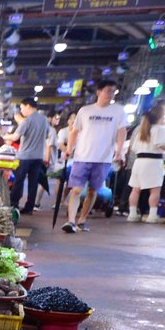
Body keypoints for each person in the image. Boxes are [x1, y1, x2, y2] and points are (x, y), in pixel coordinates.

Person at [62, 80, 127, 233]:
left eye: (113, 92)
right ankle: (71, 221)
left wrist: (119, 150)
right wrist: (69, 149)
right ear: (98, 92)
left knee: (93, 191)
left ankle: (82, 220)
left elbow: (122, 131)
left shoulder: (118, 111)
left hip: (103, 159)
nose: (110, 94)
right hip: (82, 156)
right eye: (107, 91)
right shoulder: (85, 111)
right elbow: (74, 131)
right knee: (76, 189)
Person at [126, 103, 165, 223]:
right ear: (161, 116)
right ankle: (152, 215)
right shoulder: (160, 129)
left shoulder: (142, 129)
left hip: (139, 162)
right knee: (155, 190)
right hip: (153, 161)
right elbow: (160, 144)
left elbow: (134, 148)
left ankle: (132, 214)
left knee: (135, 189)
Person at [5, 98, 50, 214]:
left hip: (24, 156)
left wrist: (5, 136)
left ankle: (14, 204)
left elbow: (15, 137)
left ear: (28, 106)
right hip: (38, 156)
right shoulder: (44, 120)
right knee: (33, 183)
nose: (21, 110)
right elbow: (47, 135)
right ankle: (29, 208)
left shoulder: (27, 121)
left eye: (22, 108)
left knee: (18, 181)